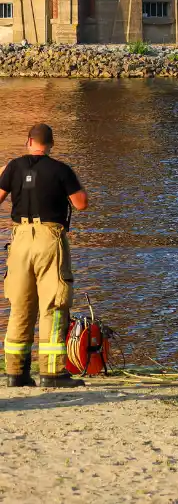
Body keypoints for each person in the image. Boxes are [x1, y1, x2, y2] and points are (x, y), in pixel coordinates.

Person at [0, 124, 89, 388]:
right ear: (51, 144)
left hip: (19, 240)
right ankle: (52, 373)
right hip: (49, 238)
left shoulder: (13, 167)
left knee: (20, 304)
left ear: (29, 141)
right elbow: (81, 204)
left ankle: (16, 373)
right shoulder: (61, 169)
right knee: (54, 303)